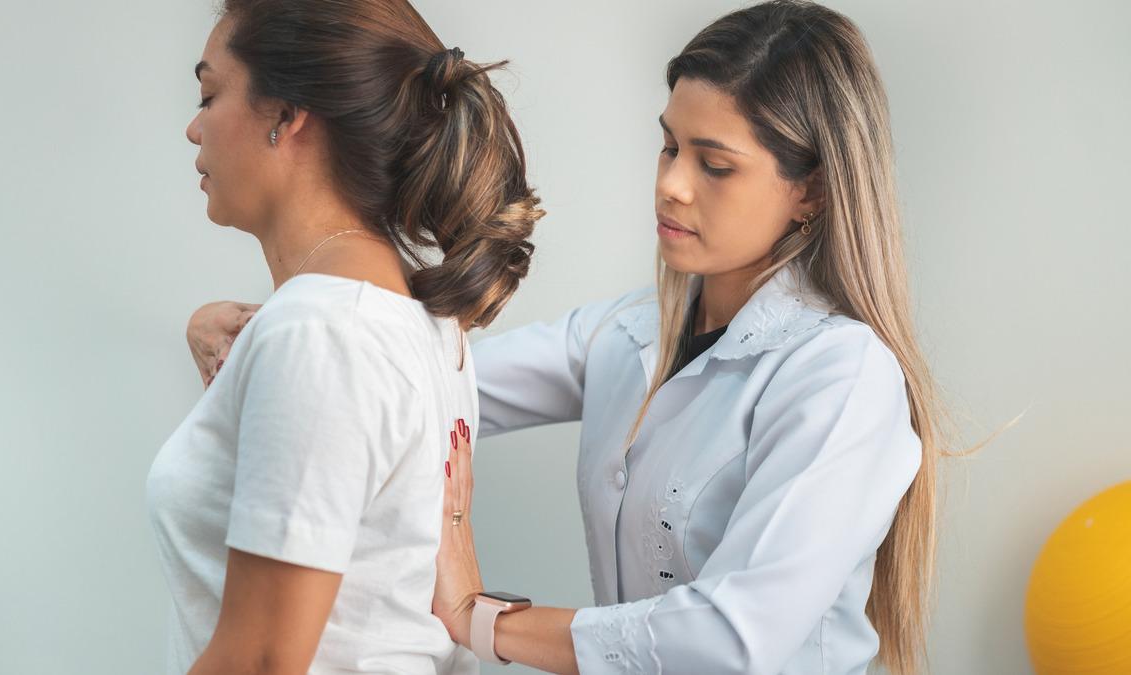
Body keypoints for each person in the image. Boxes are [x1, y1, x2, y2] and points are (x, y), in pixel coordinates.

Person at [190, 1, 944, 673]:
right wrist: (255, 338)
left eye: (715, 165)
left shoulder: (841, 375)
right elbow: (403, 378)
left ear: (812, 190)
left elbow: (733, 637)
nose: (672, 185)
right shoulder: (626, 334)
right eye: (669, 147)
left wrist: (481, 620)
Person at [146, 1, 542, 673]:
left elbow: (262, 661)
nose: (193, 127)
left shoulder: (319, 334)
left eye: (210, 95)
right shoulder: (419, 321)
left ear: (285, 114)